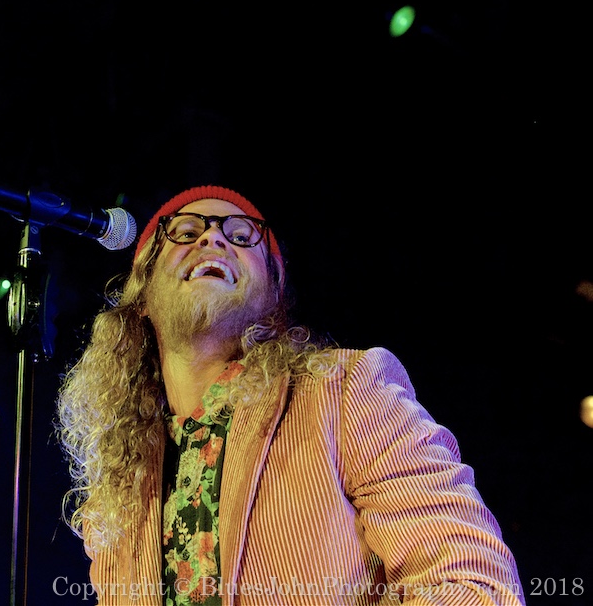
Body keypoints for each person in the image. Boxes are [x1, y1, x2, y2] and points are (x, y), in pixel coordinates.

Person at [55, 185, 525, 605]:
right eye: (185, 230)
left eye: (242, 236)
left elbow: (473, 582)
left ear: (272, 292)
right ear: (142, 286)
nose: (212, 239)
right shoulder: (117, 489)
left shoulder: (344, 391)